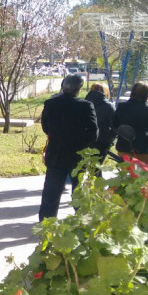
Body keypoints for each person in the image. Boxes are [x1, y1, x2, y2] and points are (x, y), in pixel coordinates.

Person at [38, 74, 98, 221]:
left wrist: (56, 137)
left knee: (51, 191)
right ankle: (82, 220)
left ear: (63, 86)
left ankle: (46, 222)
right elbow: (93, 131)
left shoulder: (50, 103)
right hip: (77, 154)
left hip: (56, 151)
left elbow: (45, 126)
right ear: (79, 89)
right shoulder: (85, 106)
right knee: (79, 191)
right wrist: (82, 144)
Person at [113, 81, 148, 165]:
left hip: (123, 146)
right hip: (142, 148)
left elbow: (114, 125)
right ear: (147, 94)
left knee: (124, 175)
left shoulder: (121, 107)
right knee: (142, 175)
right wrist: (147, 142)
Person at [84, 82, 116, 163]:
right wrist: (109, 140)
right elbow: (115, 127)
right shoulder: (109, 106)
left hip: (84, 140)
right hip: (102, 142)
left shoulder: (82, 104)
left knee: (81, 169)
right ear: (106, 92)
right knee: (96, 169)